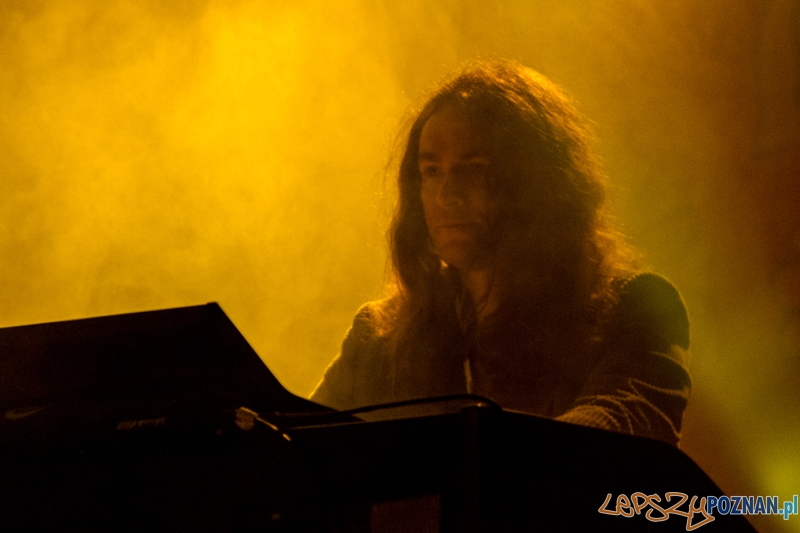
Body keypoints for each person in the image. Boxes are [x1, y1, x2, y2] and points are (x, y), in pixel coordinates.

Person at [310, 60, 691, 446]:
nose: (447, 195)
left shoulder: (639, 309)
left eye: (473, 168)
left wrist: (467, 462)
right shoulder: (378, 338)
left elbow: (618, 426)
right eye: (432, 171)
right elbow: (296, 445)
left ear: (539, 180)